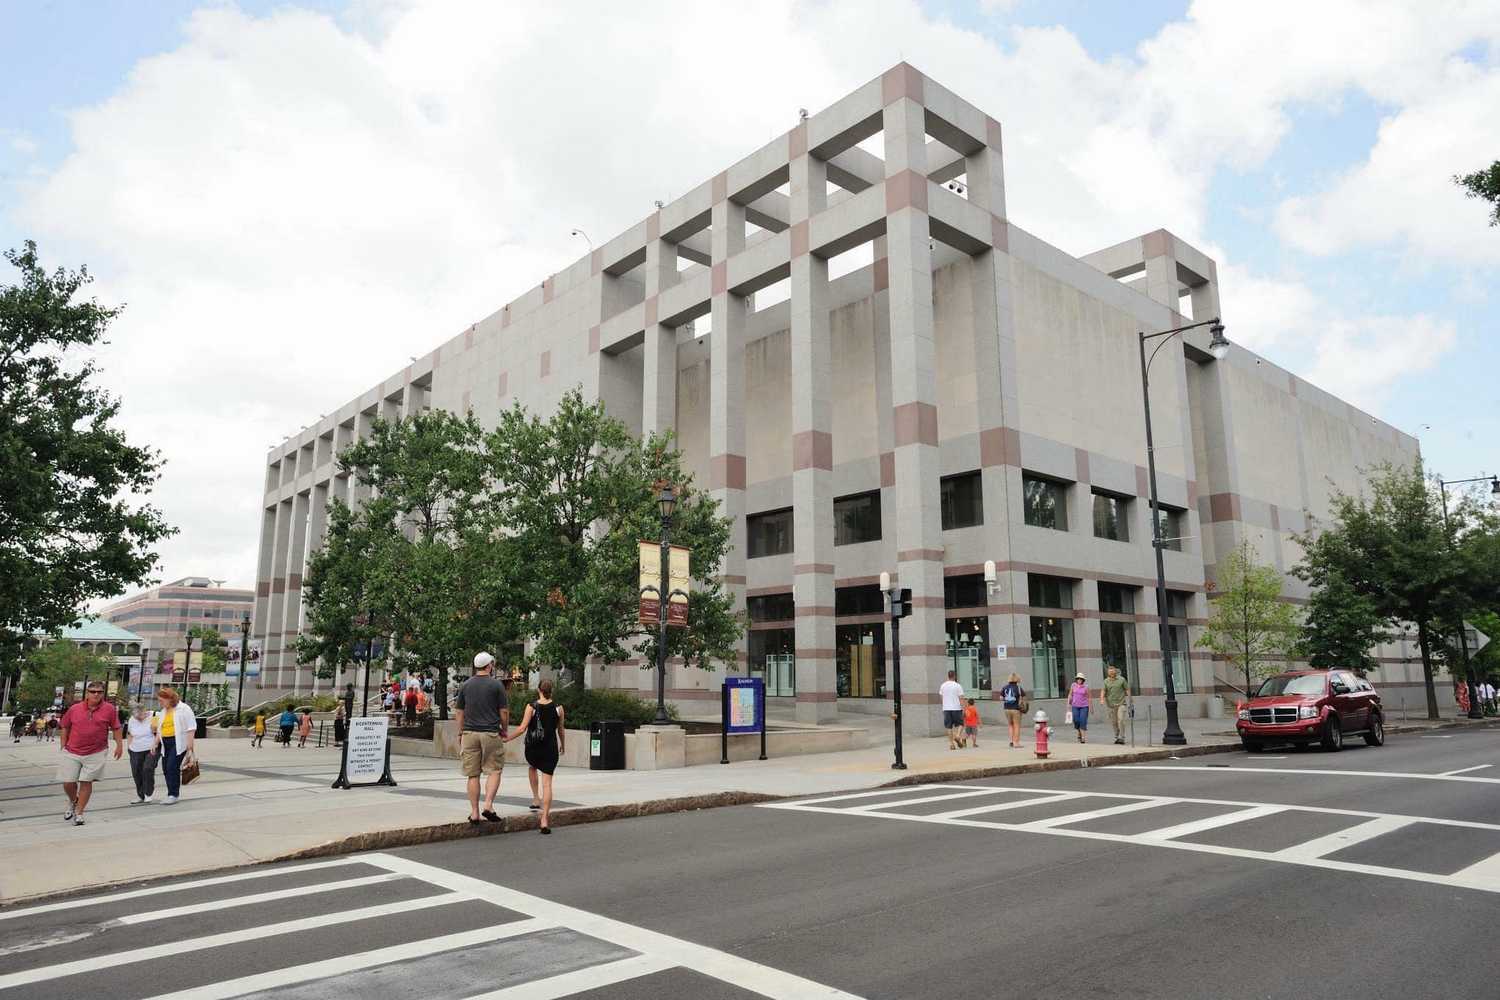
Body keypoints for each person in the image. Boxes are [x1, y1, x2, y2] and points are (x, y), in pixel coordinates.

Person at [57, 681, 124, 826]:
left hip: (96, 751)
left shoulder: (109, 709)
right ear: (87, 693)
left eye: (99, 692)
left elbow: (117, 728)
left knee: (86, 782)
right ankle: (74, 800)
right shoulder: (75, 709)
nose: (96, 694)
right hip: (72, 750)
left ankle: (79, 813)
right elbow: (65, 726)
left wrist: (119, 745)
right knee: (68, 782)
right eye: (93, 691)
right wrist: (63, 745)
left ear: (103, 693)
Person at [454, 651, 509, 825]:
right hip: (490, 733)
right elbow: (504, 712)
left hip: (469, 733)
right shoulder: (496, 685)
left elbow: (459, 712)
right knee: (494, 770)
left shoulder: (466, 685)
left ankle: (475, 812)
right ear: (489, 665)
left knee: (473, 774)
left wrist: (460, 732)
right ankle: (488, 805)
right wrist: (504, 729)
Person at [508, 677, 565, 834]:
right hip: (550, 748)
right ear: (551, 690)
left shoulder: (531, 707)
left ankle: (535, 798)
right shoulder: (558, 708)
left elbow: (522, 728)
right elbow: (561, 729)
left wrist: (506, 738)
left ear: (538, 690)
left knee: (532, 766)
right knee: (547, 784)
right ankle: (545, 819)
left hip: (533, 747)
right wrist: (563, 744)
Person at [152, 687, 196, 805]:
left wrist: (190, 748)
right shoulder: (164, 711)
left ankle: (173, 794)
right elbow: (160, 729)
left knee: (172, 766)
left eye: (162, 701)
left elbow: (191, 728)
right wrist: (155, 743)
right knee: (166, 768)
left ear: (169, 699)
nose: (160, 703)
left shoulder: (184, 709)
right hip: (165, 743)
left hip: (178, 742)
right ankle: (170, 792)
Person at [124, 703, 158, 803]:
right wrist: (129, 747)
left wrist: (155, 744)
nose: (138, 718)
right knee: (136, 772)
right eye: (136, 716)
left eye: (140, 716)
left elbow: (160, 731)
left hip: (151, 748)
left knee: (147, 768)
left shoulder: (155, 715)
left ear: (145, 711)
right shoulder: (132, 719)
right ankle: (140, 795)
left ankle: (148, 794)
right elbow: (130, 734)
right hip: (135, 749)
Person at [1099, 665, 1129, 745]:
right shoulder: (1106, 681)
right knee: (1114, 722)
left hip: (1121, 703)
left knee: (1121, 720)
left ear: (1115, 671)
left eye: (1113, 671)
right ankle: (1117, 736)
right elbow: (1103, 691)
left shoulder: (1122, 680)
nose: (1111, 673)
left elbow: (1127, 689)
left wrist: (1130, 699)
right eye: (1110, 672)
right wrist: (1101, 699)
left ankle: (1122, 737)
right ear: (1108, 673)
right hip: (1111, 705)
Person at [939, 670, 965, 750]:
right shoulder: (958, 686)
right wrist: (963, 708)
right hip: (956, 708)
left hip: (946, 708)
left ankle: (951, 744)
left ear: (948, 676)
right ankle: (957, 736)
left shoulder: (943, 686)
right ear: (954, 676)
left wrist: (944, 706)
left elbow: (941, 698)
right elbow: (961, 698)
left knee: (949, 727)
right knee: (961, 724)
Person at [1000, 673, 1026, 748]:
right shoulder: (1018, 688)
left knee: (1010, 725)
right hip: (1016, 709)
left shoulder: (1005, 687)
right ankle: (1016, 743)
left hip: (1007, 709)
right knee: (1017, 725)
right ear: (1017, 679)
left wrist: (1007, 699)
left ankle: (1011, 741)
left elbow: (1001, 698)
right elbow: (1024, 698)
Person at [1068, 673, 1090, 743]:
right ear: (1076, 679)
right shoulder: (1073, 685)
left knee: (1083, 720)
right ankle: (1079, 732)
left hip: (1084, 706)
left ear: (1083, 680)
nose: (1079, 680)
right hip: (1075, 706)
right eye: (1078, 679)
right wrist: (1068, 703)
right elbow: (1070, 694)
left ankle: (1083, 737)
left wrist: (1091, 707)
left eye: (1081, 679)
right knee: (1076, 720)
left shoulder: (1086, 687)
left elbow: (1089, 697)